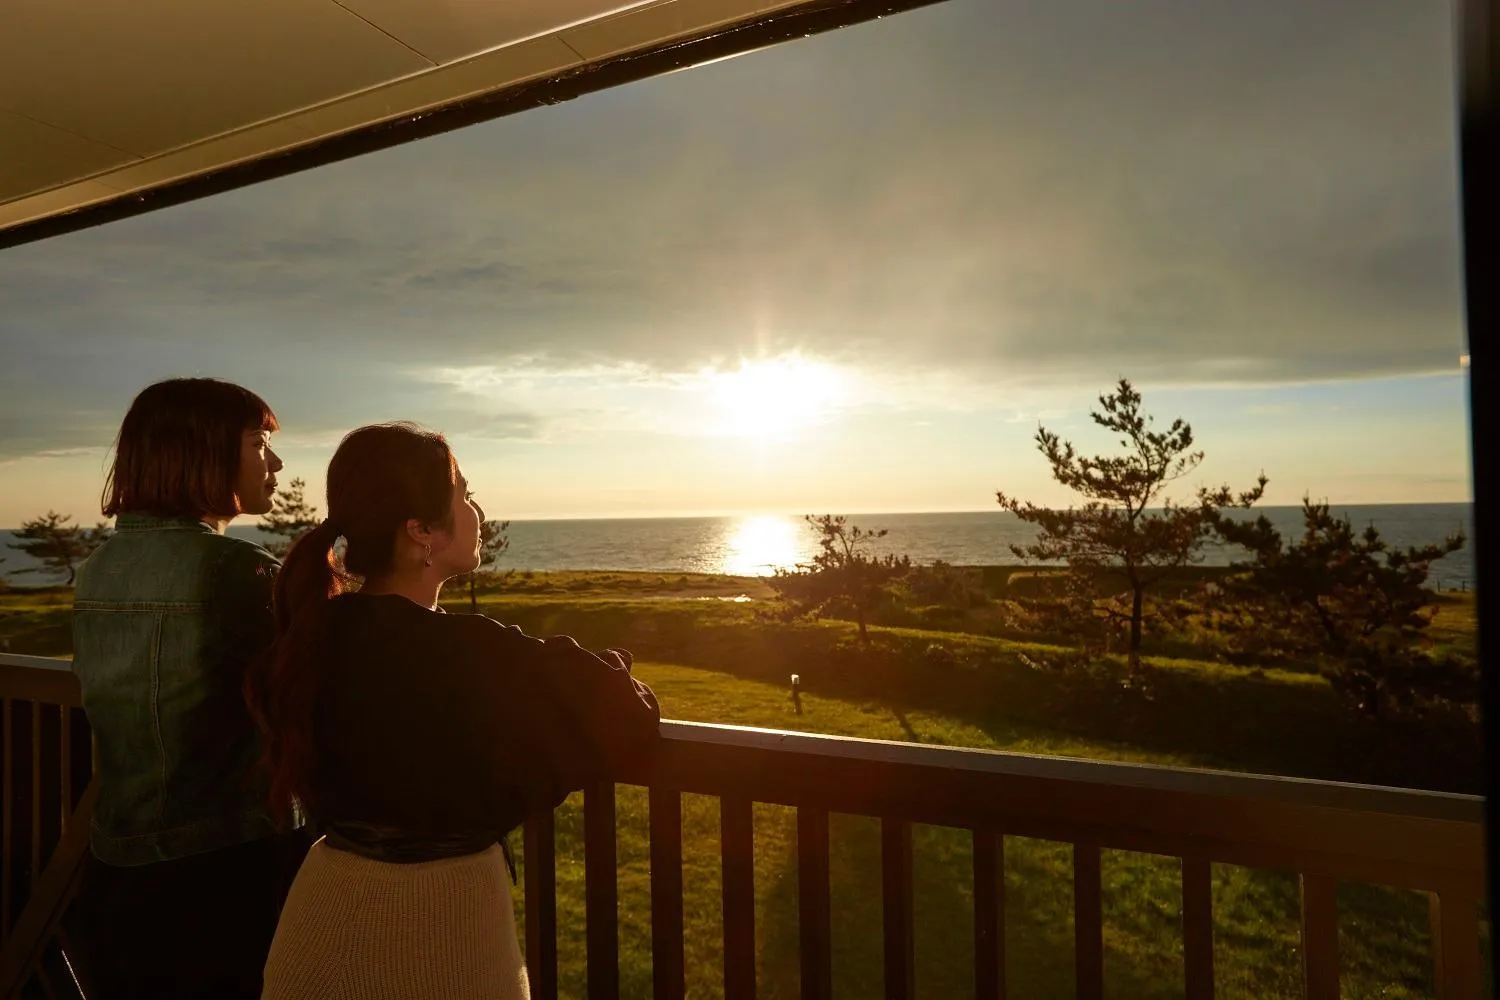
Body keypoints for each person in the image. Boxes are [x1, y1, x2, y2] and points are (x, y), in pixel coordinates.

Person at [250, 422, 660, 1000]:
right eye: (463, 493)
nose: (477, 510)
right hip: (446, 932)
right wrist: (604, 667)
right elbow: (627, 713)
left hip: (320, 922)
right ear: (421, 531)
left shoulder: (311, 638)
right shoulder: (472, 654)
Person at [66, 377, 309, 998]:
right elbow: (319, 691)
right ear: (204, 452)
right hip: (225, 874)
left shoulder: (98, 569)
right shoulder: (236, 570)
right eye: (258, 443)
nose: (275, 461)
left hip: (118, 866)